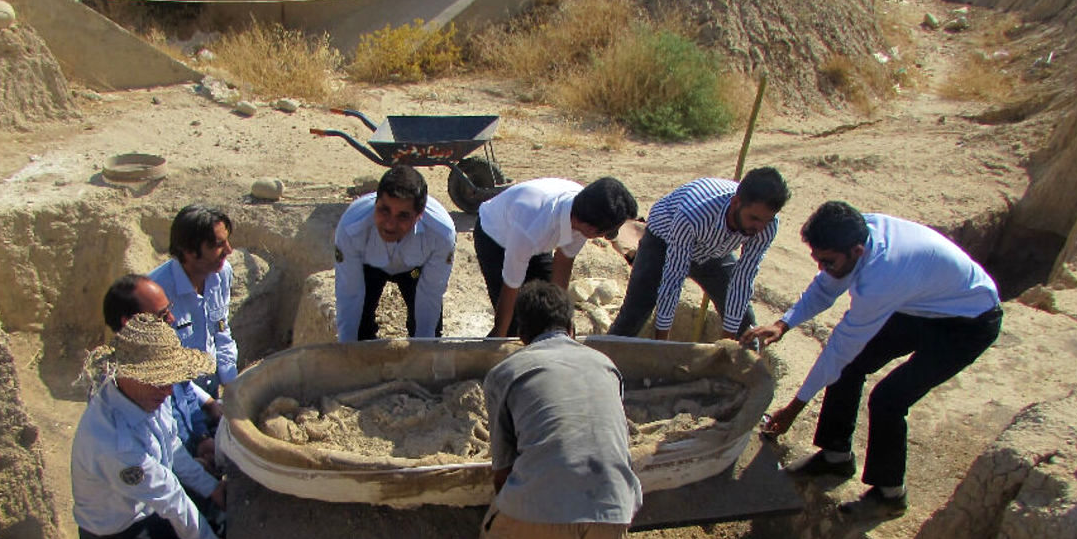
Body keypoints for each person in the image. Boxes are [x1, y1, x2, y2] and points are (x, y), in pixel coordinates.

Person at [743, 201, 1003, 521]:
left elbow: (840, 347)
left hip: (969, 323)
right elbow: (825, 287)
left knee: (888, 399)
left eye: (829, 261)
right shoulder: (856, 235)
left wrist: (795, 407)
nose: (823, 268)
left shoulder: (882, 277)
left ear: (856, 252)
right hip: (922, 304)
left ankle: (890, 494)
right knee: (851, 368)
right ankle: (836, 455)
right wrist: (783, 324)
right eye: (818, 260)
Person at [71, 312, 280, 539]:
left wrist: (213, 489)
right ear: (127, 373)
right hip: (116, 535)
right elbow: (167, 495)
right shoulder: (114, 443)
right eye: (159, 380)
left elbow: (172, 451)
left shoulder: (146, 396)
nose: (168, 390)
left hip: (145, 509)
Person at [468, 281, 643, 539]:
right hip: (615, 507)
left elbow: (502, 469)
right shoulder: (606, 365)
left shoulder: (506, 372)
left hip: (540, 509)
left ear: (521, 334)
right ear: (573, 329)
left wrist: (506, 519)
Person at [608, 168, 789, 340]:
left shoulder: (767, 225)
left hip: (714, 250)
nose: (759, 228)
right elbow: (673, 277)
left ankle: (744, 368)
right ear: (735, 203)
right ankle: (602, 360)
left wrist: (727, 345)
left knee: (745, 322)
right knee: (636, 312)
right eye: (754, 218)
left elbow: (743, 278)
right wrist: (662, 346)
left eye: (766, 220)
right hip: (664, 241)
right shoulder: (693, 215)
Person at [474, 177, 638, 338]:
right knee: (516, 325)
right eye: (608, 233)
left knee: (549, 313)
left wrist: (565, 322)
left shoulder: (586, 213)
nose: (606, 237)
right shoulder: (532, 227)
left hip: (538, 238)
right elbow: (511, 285)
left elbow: (563, 265)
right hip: (495, 237)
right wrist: (500, 336)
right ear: (590, 228)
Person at [103, 273, 220, 468]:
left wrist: (201, 438)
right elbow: (154, 469)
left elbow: (186, 391)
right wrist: (188, 472)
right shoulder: (126, 396)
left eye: (169, 311)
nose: (172, 320)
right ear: (130, 323)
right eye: (162, 315)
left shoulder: (164, 346)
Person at [333, 165, 456, 342]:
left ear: (419, 215)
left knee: (426, 333)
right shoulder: (351, 228)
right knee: (360, 328)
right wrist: (347, 353)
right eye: (384, 210)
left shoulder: (440, 234)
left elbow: (430, 294)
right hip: (369, 268)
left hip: (414, 271)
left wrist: (424, 354)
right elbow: (349, 294)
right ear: (376, 202)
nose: (390, 224)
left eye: (403, 216)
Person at [148, 206, 238, 445]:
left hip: (211, 393)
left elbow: (221, 331)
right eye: (218, 245)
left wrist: (232, 387)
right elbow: (167, 376)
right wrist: (205, 409)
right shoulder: (156, 295)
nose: (228, 251)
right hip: (176, 405)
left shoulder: (221, 273)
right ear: (188, 252)